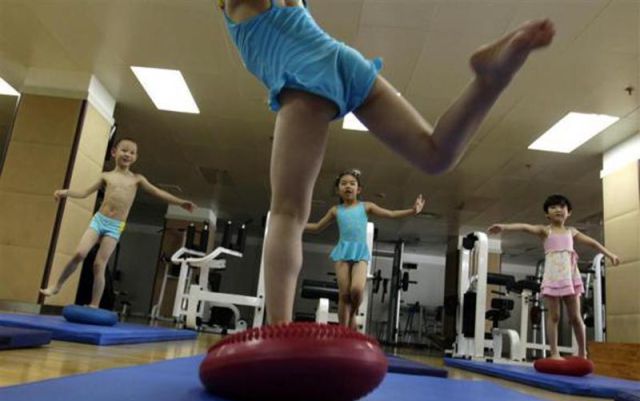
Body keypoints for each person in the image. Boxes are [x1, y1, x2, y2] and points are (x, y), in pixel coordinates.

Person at [219, 0, 555, 323]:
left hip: (306, 76)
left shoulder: (237, 7)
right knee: (436, 155)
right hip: (342, 61)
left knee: (287, 213)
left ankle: (279, 330)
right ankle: (489, 80)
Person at [41, 138, 196, 308]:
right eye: (124, 150)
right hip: (99, 220)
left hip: (115, 226)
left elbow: (157, 192)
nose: (127, 154)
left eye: (132, 152)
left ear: (135, 157)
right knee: (79, 254)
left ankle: (94, 304)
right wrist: (64, 192)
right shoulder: (106, 176)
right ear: (114, 152)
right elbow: (84, 192)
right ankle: (57, 286)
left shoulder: (137, 179)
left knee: (99, 264)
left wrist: (180, 202)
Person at [488, 194, 620, 359]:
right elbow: (524, 227)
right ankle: (554, 352)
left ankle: (582, 352)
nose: (558, 209)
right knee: (554, 316)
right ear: (547, 214)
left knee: (576, 317)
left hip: (569, 277)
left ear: (568, 212)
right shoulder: (545, 230)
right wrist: (503, 227)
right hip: (552, 277)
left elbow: (593, 243)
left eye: (562, 207)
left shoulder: (572, 232)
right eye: (553, 207)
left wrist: (611, 255)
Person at [305, 169, 424, 329]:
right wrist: (297, 226)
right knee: (344, 294)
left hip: (360, 253)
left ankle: (353, 313)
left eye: (352, 184)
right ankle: (343, 330)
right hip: (342, 253)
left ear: (358, 189)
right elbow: (318, 227)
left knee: (356, 290)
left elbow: (390, 213)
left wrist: (412, 210)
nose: (348, 186)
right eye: (344, 183)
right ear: (338, 189)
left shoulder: (366, 206)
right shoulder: (335, 210)